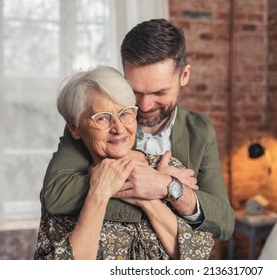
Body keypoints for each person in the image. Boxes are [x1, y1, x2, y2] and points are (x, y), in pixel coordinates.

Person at [40, 18, 235, 241]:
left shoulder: (200, 129)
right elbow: (56, 196)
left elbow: (224, 223)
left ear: (184, 76)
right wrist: (156, 189)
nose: (144, 105)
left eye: (159, 93)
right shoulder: (94, 124)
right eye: (135, 92)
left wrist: (168, 187)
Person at [34, 65, 214, 260]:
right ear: (75, 128)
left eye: (126, 113)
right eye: (102, 118)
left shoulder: (167, 169)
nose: (119, 128)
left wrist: (149, 197)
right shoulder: (65, 189)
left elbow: (198, 256)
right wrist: (98, 194)